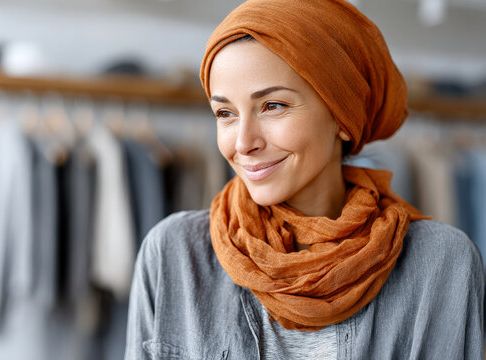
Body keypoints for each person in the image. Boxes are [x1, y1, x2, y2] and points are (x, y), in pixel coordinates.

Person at [125, 0, 484, 358]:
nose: (244, 143)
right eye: (225, 113)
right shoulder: (173, 255)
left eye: (273, 106)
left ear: (342, 117)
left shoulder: (440, 265)